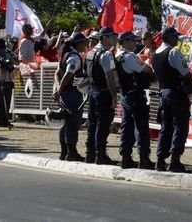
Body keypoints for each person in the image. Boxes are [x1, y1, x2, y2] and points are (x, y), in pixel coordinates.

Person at [152, 27, 192, 173]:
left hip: (163, 92)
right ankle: (175, 160)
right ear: (170, 38)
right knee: (180, 126)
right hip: (176, 93)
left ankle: (160, 160)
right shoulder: (173, 52)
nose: (178, 40)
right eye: (176, 37)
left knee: (166, 127)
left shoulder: (155, 54)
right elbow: (186, 74)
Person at [115, 31, 155, 169]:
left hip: (125, 95)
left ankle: (126, 157)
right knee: (141, 127)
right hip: (135, 95)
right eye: (132, 40)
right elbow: (147, 70)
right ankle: (144, 158)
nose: (135, 43)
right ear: (125, 42)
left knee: (127, 127)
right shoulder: (130, 57)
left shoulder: (117, 55)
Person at [84, 27, 119, 165]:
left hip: (93, 91)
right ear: (104, 37)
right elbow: (109, 76)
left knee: (93, 123)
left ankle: (90, 154)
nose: (115, 39)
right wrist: (114, 95)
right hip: (103, 92)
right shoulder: (106, 54)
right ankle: (101, 154)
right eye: (112, 36)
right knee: (103, 124)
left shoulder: (90, 53)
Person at [52, 33, 88, 161]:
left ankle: (64, 152)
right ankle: (71, 152)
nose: (86, 45)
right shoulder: (74, 57)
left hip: (64, 93)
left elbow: (57, 73)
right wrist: (60, 89)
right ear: (78, 44)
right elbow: (68, 74)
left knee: (64, 122)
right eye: (84, 42)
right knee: (72, 122)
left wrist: (58, 88)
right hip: (71, 93)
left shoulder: (65, 55)